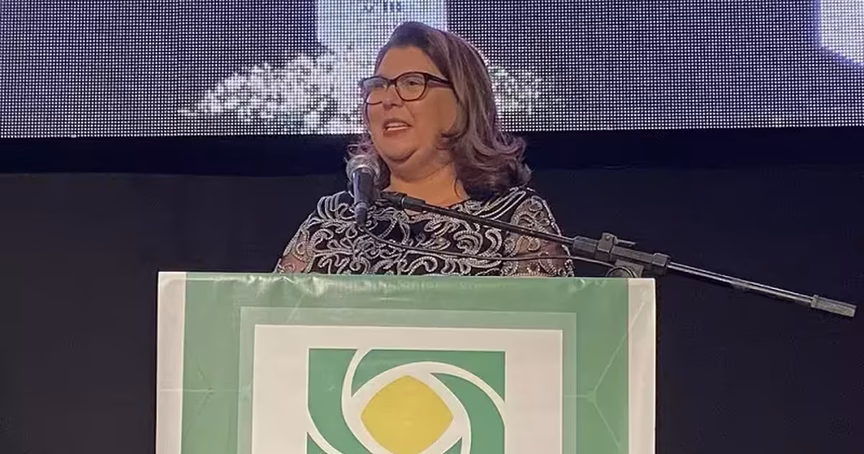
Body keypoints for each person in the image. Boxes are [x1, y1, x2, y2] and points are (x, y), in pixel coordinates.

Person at [275, 21, 573, 277]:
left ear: (463, 102)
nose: (388, 99)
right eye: (378, 85)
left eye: (412, 83)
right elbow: (269, 318)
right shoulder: (334, 219)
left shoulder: (514, 220)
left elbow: (546, 324)